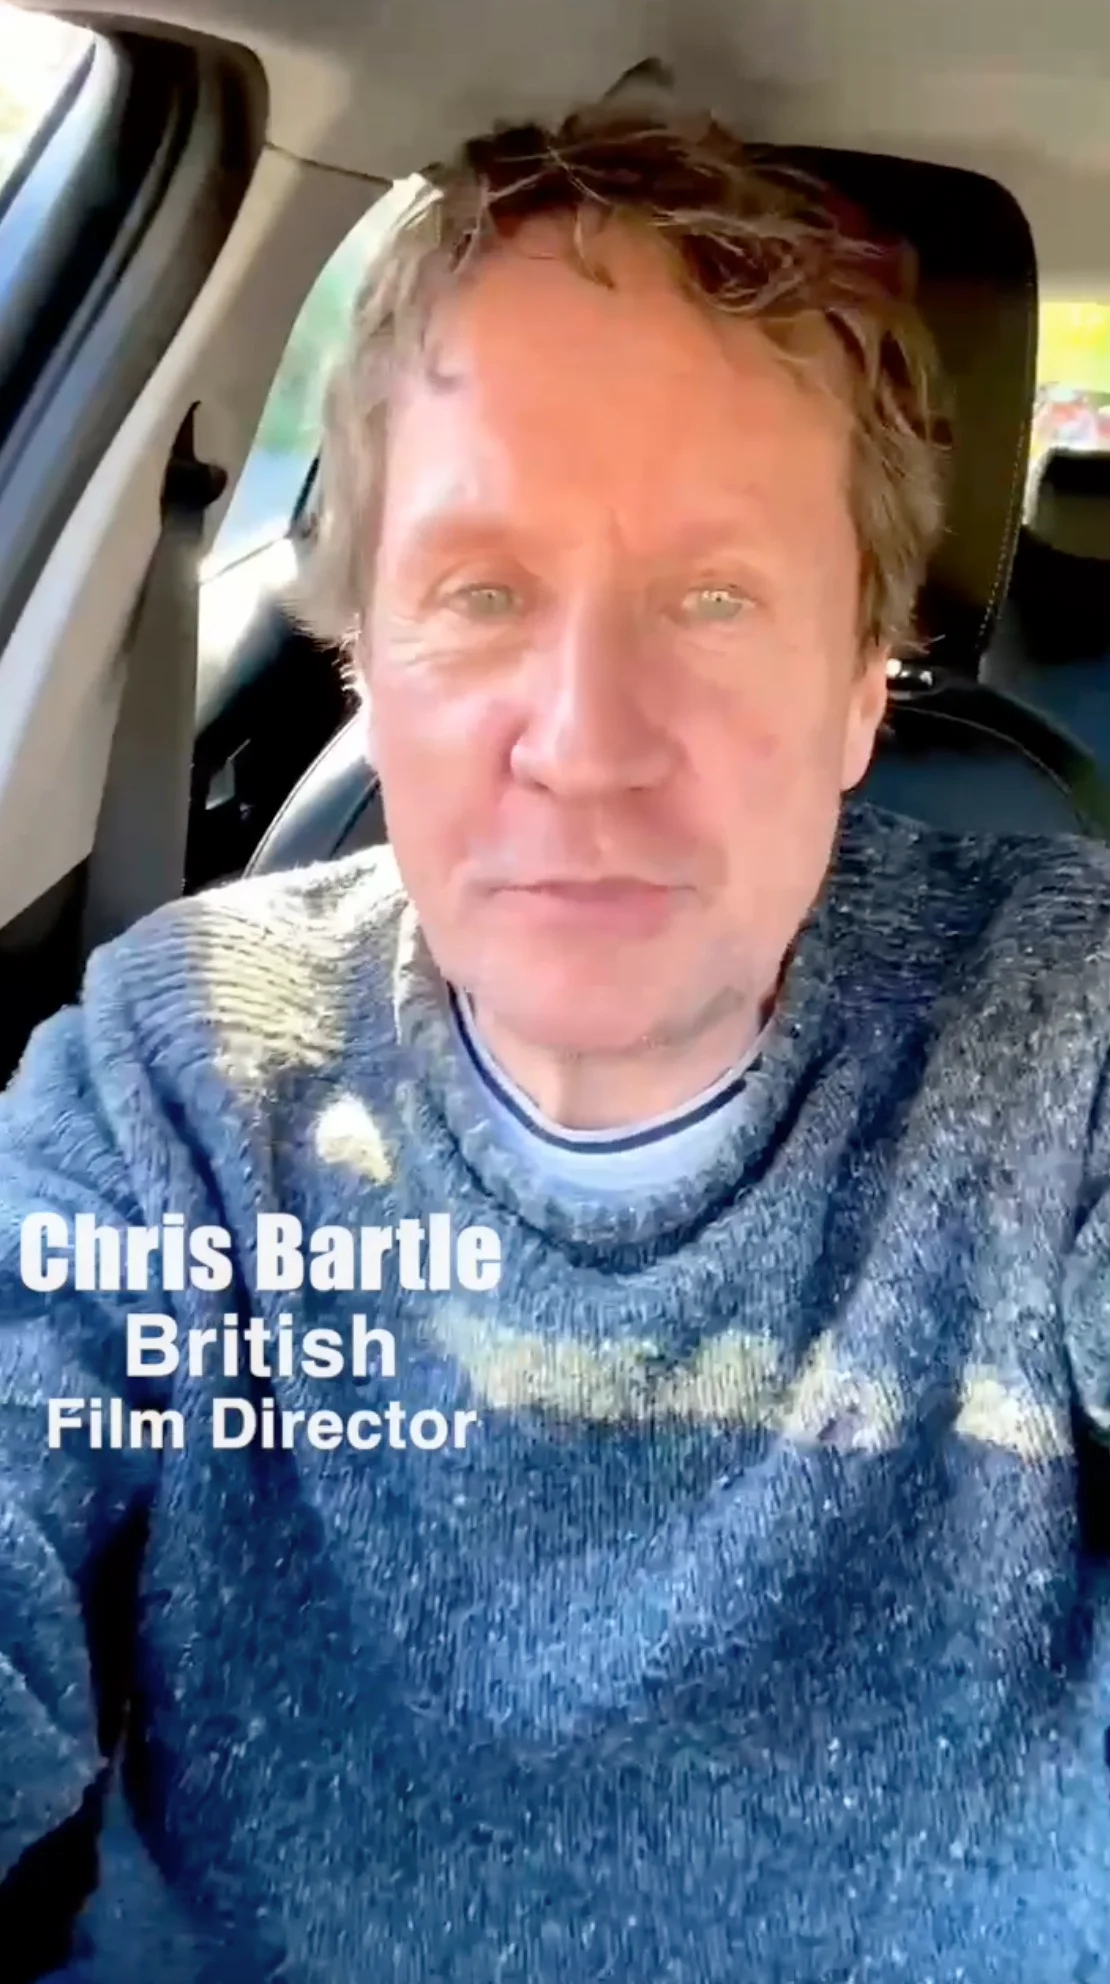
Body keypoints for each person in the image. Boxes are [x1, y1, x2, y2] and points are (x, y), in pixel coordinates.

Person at [1, 91, 1109, 1984]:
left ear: (863, 683)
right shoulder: (179, 1083)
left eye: (713, 596)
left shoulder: (1065, 1036)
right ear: (365, 657)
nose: (584, 743)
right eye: (483, 593)